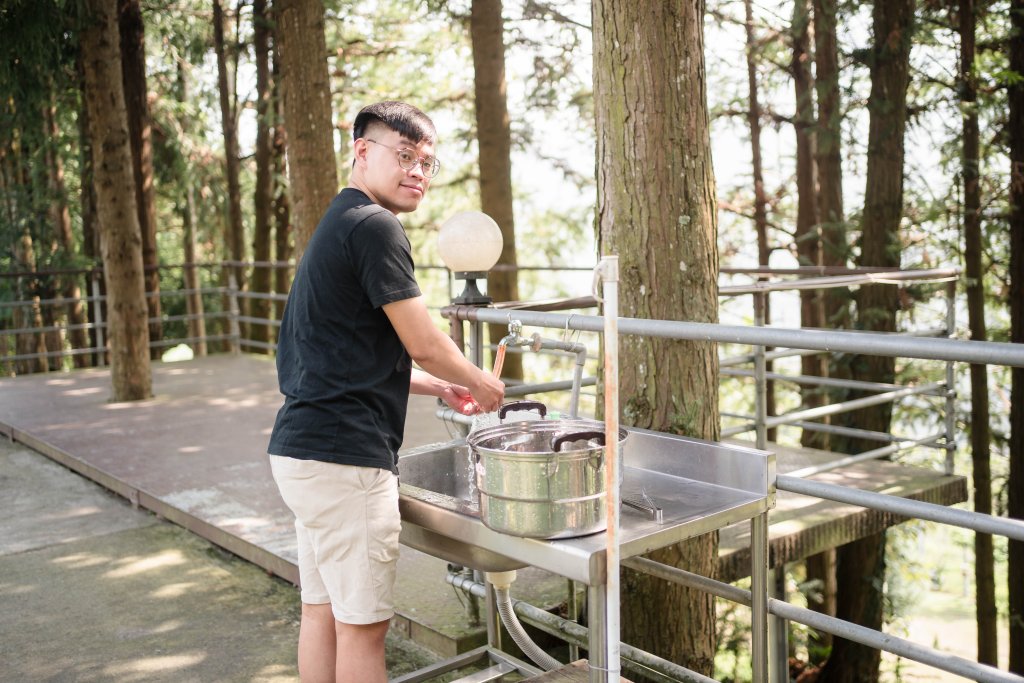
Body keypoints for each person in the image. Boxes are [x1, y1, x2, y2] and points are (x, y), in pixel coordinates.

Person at [267, 101, 505, 683]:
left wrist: (440, 387)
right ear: (362, 151)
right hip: (346, 462)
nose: (418, 171)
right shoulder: (376, 226)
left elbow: (342, 358)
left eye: (427, 161)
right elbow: (422, 340)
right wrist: (481, 382)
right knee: (365, 632)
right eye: (404, 156)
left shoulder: (340, 222)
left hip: (302, 454)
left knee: (322, 614)